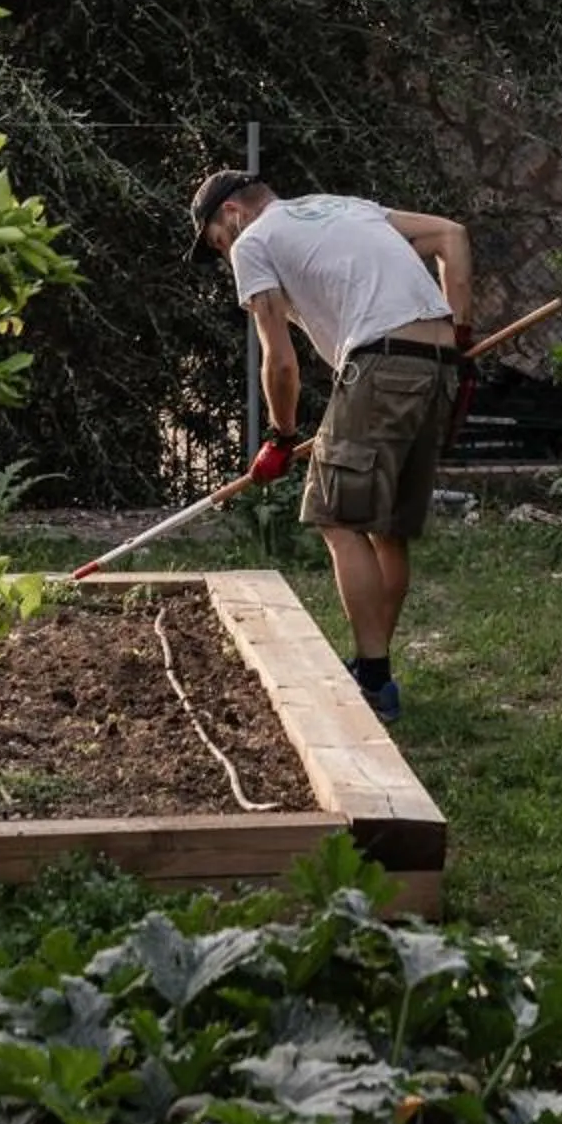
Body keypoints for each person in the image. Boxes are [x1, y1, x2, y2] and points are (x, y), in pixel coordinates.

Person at [187, 170, 472, 722]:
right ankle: (374, 669)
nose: (227, 260)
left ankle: (371, 683)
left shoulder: (255, 242)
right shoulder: (344, 207)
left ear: (232, 216)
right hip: (434, 367)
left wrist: (282, 435)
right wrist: (460, 335)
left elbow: (281, 359)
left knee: (334, 517)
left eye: (218, 246)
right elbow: (452, 236)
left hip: (379, 361)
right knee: (385, 529)